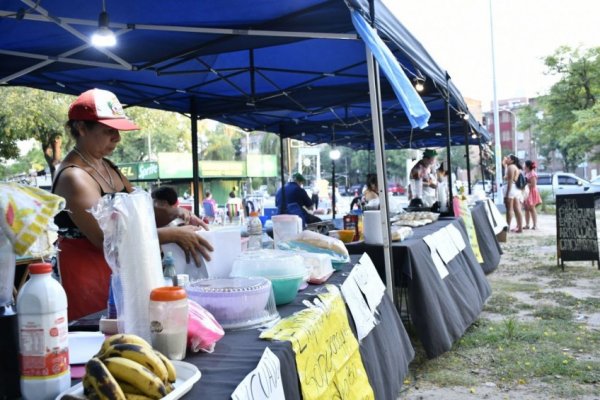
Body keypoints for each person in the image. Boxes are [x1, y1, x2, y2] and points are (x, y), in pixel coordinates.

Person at [52, 88, 213, 320]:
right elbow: (107, 238)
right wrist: (172, 235)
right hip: (87, 280)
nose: (117, 138)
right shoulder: (73, 177)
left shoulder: (107, 166)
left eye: (118, 130)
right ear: (81, 128)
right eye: (109, 131)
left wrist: (179, 214)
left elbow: (141, 213)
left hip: (118, 277)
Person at [503, 154, 524, 233]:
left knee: (509, 209)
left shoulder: (511, 167)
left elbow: (510, 181)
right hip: (515, 189)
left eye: (508, 158)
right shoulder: (513, 167)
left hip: (511, 188)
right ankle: (520, 227)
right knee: (517, 209)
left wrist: (507, 193)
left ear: (512, 160)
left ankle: (507, 226)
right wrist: (505, 165)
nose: (506, 159)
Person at [523, 160, 542, 230]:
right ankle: (527, 224)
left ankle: (535, 225)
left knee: (532, 208)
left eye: (524, 164)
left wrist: (525, 184)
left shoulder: (532, 173)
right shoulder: (527, 173)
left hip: (531, 192)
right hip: (527, 192)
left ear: (527, 166)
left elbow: (533, 184)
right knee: (526, 209)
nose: (523, 165)